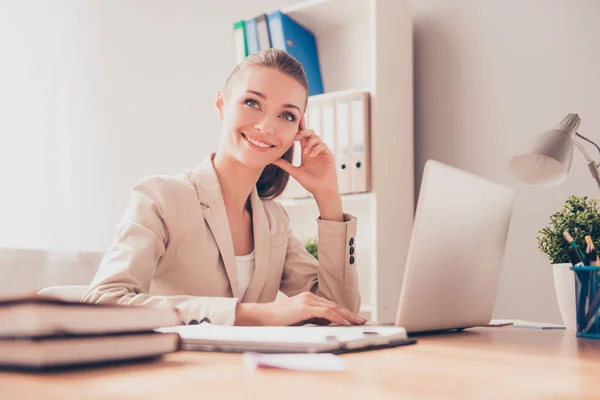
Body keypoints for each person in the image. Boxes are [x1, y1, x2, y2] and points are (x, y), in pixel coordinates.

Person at [82, 48, 365, 327]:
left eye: (287, 116)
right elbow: (102, 302)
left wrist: (327, 195)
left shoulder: (274, 221)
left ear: (297, 132)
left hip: (246, 371)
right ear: (221, 104)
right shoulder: (162, 198)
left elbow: (340, 313)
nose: (266, 126)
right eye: (253, 103)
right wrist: (251, 315)